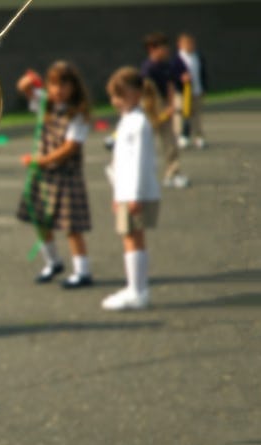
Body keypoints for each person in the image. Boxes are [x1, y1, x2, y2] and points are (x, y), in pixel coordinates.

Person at [15, 61, 94, 289]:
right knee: (40, 221)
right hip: (44, 177)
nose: (58, 90)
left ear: (74, 87)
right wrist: (28, 82)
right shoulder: (46, 104)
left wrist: (41, 161)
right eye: (53, 85)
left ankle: (83, 271)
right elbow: (24, 88)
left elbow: (70, 147)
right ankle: (53, 262)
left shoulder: (78, 114)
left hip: (67, 177)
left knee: (72, 227)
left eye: (64, 85)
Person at [102, 67, 162, 310]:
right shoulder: (127, 120)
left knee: (133, 239)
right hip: (125, 191)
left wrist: (133, 195)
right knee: (130, 238)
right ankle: (135, 288)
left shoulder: (139, 123)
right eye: (114, 96)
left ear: (136, 94)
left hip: (136, 191)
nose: (116, 101)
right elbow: (120, 161)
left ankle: (138, 291)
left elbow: (139, 161)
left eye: (121, 95)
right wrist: (117, 193)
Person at [141, 32, 190, 189]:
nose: (167, 50)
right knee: (143, 141)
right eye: (163, 47)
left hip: (165, 105)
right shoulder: (148, 69)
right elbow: (147, 95)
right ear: (152, 49)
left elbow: (170, 85)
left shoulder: (167, 66)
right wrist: (159, 112)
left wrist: (170, 105)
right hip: (152, 106)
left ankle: (172, 173)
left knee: (170, 142)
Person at [175, 32, 208, 149]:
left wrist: (204, 87)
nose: (190, 46)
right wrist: (181, 78)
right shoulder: (177, 59)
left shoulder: (198, 57)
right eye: (187, 43)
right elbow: (173, 75)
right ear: (180, 45)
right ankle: (182, 136)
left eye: (191, 43)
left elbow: (203, 73)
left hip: (196, 91)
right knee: (181, 114)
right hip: (182, 92)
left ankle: (199, 137)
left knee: (197, 115)